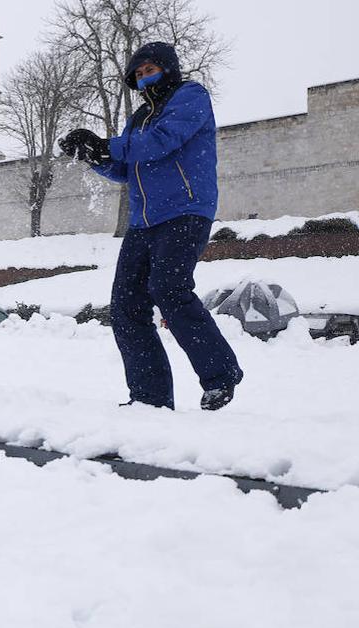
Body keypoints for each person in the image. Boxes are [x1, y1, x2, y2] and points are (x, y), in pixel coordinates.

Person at [59, 41, 243, 411]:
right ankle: (150, 397)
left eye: (150, 70)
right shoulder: (139, 119)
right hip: (143, 221)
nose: (144, 77)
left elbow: (162, 142)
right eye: (138, 73)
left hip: (185, 211)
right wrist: (93, 155)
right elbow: (125, 170)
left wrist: (107, 144)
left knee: (169, 289)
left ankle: (221, 374)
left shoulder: (191, 96)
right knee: (126, 305)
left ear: (168, 68)